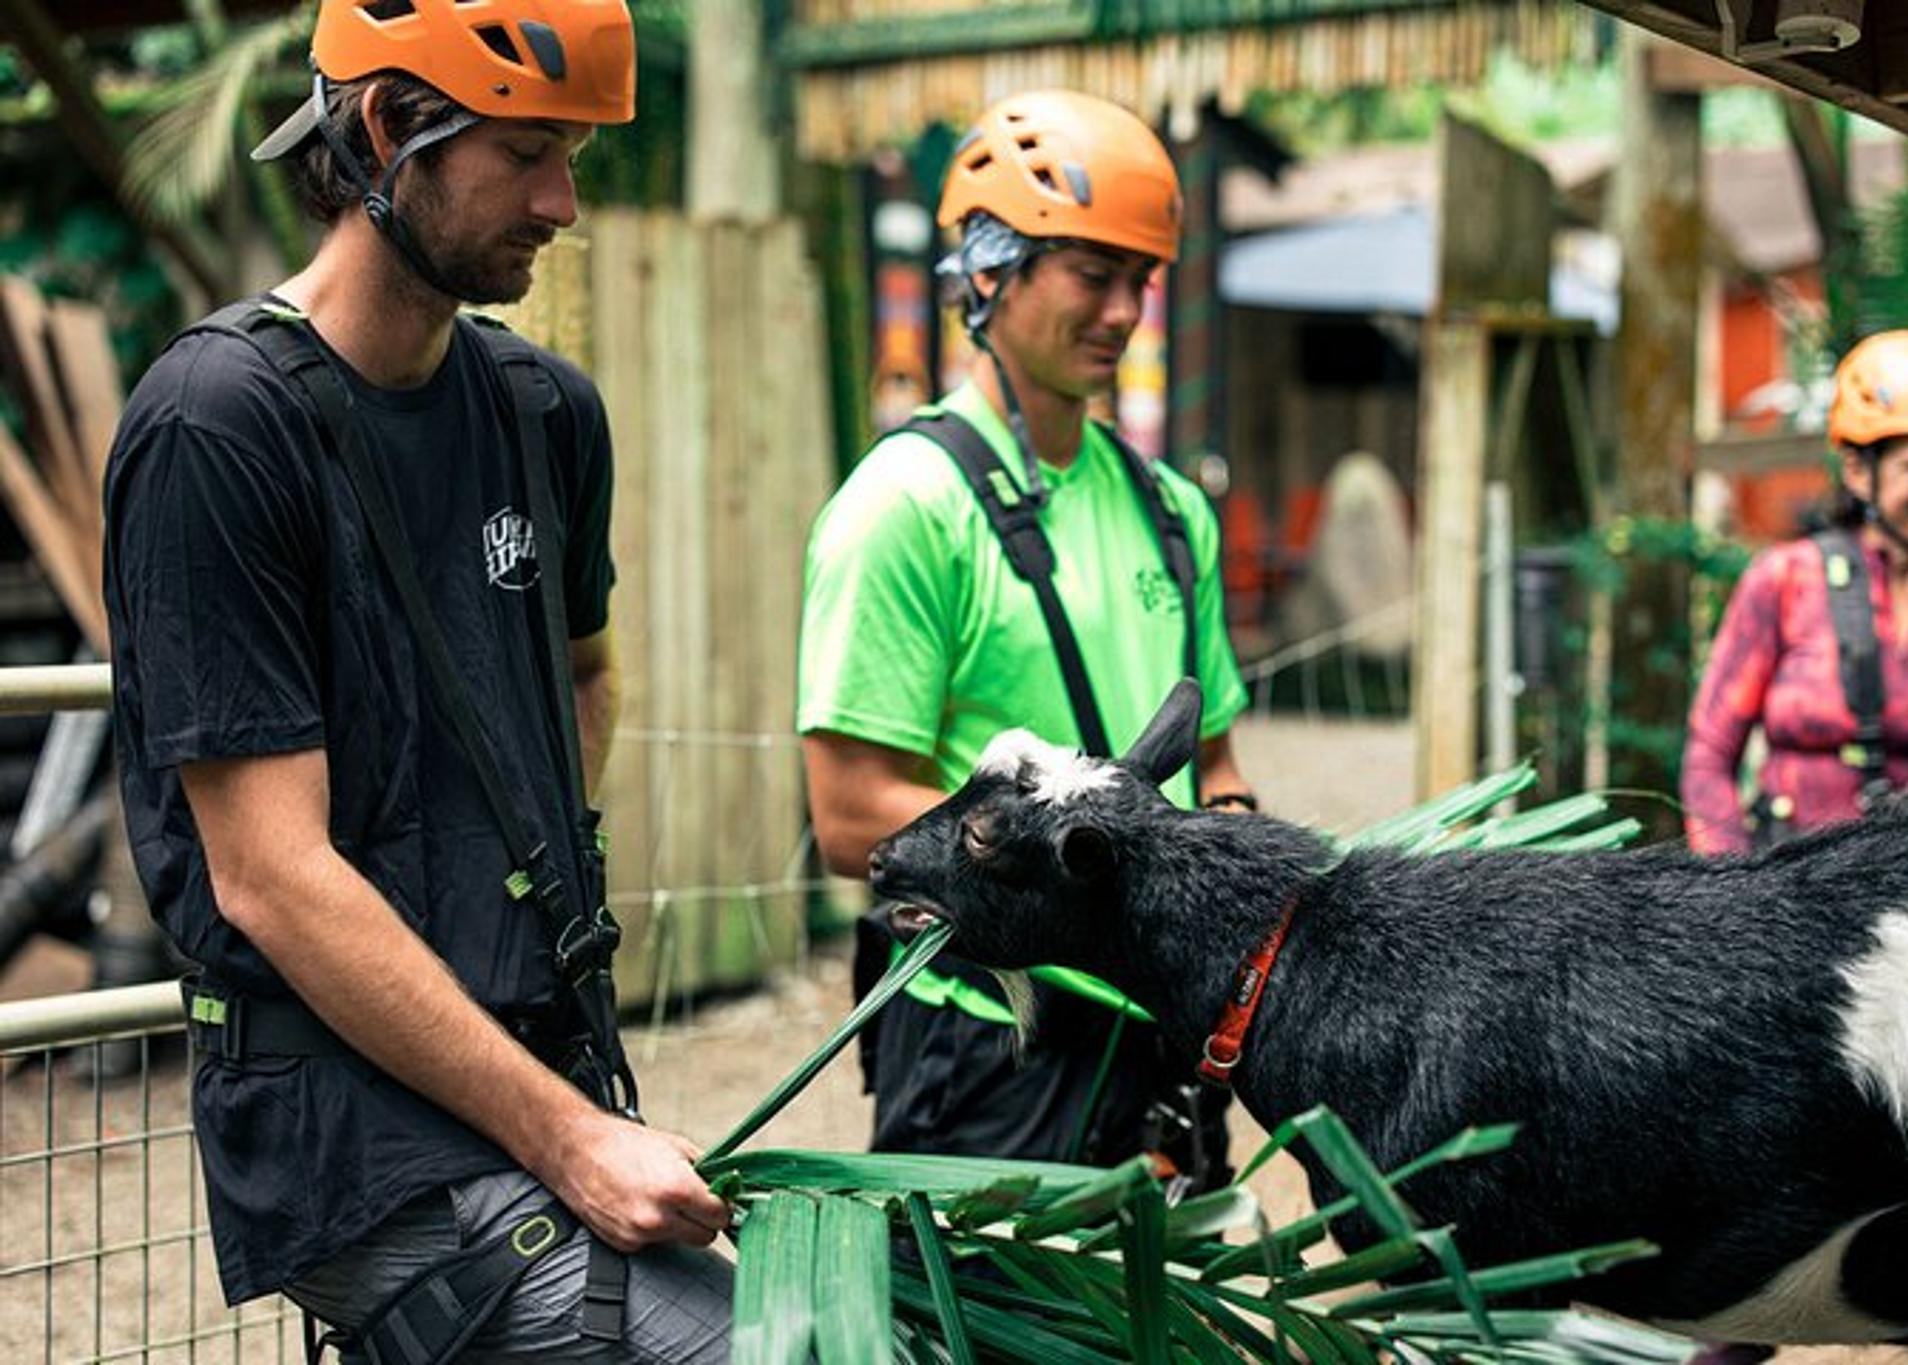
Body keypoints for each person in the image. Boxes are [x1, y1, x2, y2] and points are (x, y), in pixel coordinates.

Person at [102, 0, 733, 1359]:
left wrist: (515, 902)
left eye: (575, 156)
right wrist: (571, 1140)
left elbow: (584, 674)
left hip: (528, 1062)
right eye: (526, 152)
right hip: (349, 1130)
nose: (565, 202)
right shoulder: (217, 428)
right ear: (391, 128)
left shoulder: (545, 414)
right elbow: (269, 875)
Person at [797, 89, 1257, 1183]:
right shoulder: (903, 506)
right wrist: (1086, 883)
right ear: (990, 269)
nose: (1123, 310)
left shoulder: (1167, 511)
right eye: (1092, 274)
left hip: (1162, 1036)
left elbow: (1221, 765)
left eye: (1140, 279)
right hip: (988, 1036)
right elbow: (849, 812)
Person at [1683, 329, 1908, 855]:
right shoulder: (1786, 580)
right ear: (1857, 470)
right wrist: (1728, 897)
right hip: (1791, 901)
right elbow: (1709, 757)